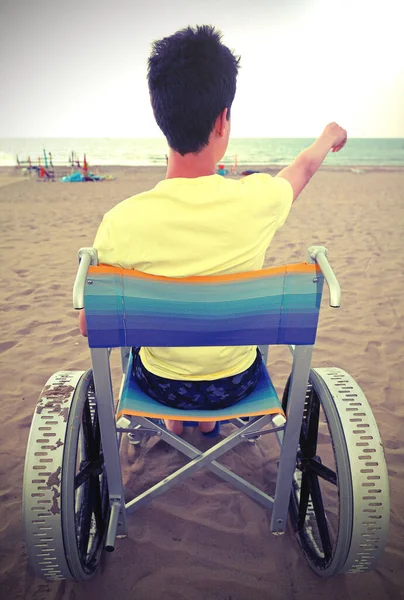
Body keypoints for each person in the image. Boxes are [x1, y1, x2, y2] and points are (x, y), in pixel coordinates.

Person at [79, 25, 347, 436]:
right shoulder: (258, 199)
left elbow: (90, 324)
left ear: (160, 116)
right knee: (224, 355)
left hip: (163, 386)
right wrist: (328, 136)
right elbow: (302, 169)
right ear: (223, 120)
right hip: (234, 386)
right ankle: (209, 426)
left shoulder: (123, 220)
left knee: (151, 348)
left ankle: (178, 420)